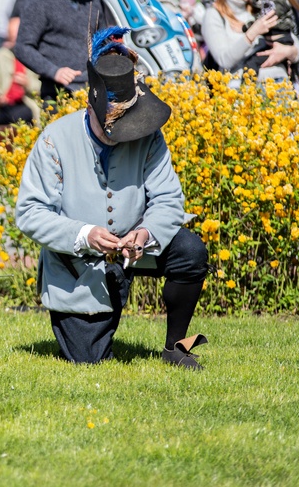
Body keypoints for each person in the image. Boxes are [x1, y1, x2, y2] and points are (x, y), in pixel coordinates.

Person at [15, 27, 209, 368]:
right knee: (88, 359)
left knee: (191, 252)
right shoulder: (54, 138)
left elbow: (168, 200)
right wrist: (85, 235)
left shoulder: (150, 137)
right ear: (91, 106)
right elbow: (30, 213)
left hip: (137, 248)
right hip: (78, 262)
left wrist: (146, 234)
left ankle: (176, 348)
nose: (125, 136)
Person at [15, 0, 109, 100]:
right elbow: (23, 47)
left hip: (94, 91)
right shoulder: (40, 1)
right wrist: (54, 71)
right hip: (56, 94)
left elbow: (104, 40)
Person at [202, 0, 299, 83]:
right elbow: (224, 60)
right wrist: (252, 33)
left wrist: (287, 52)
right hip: (243, 90)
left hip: (279, 85)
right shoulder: (214, 15)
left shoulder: (259, 6)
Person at [242, 0, 299, 73]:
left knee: (252, 63)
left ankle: (248, 87)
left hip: (282, 39)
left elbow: (266, 18)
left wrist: (249, 26)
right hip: (272, 39)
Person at [0, 12, 41, 126]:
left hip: (26, 103)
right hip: (4, 106)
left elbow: (41, 87)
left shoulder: (35, 57)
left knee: (21, 115)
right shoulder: (1, 56)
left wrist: (27, 83)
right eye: (11, 38)